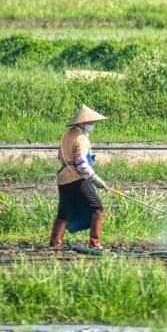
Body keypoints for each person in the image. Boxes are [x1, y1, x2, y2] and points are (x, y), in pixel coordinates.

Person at [50, 104, 111, 249]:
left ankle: (54, 244)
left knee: (64, 211)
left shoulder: (66, 135)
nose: (92, 125)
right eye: (91, 123)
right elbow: (82, 164)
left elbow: (60, 156)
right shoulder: (82, 138)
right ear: (83, 123)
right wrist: (95, 179)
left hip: (63, 178)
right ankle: (95, 244)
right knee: (97, 207)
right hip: (75, 178)